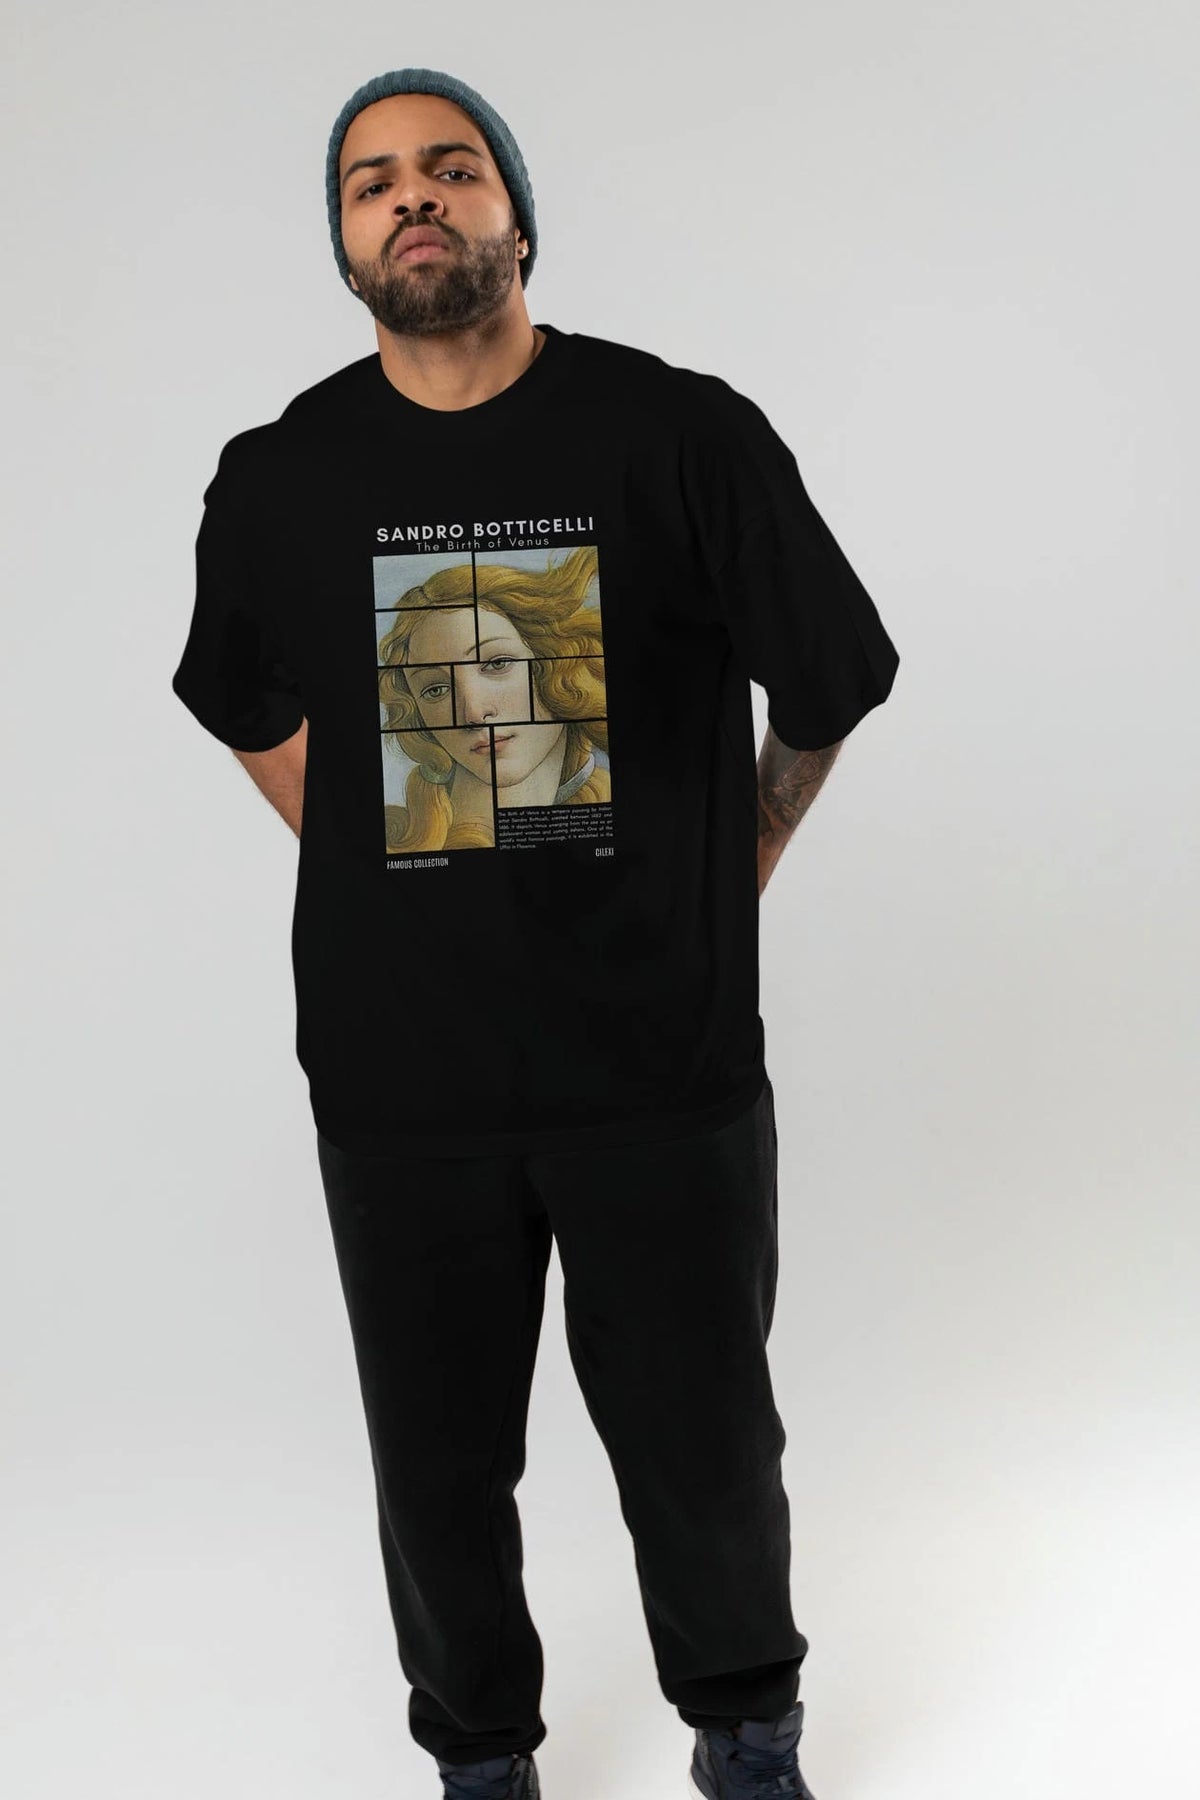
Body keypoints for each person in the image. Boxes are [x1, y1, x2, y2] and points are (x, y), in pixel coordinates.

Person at [170, 65, 900, 1800]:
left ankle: (747, 1732)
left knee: (705, 1446)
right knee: (435, 1469)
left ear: (516, 213)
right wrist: (374, 850)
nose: (413, 197)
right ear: (345, 242)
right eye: (371, 183)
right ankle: (481, 1758)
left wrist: (744, 856)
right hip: (402, 1078)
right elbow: (243, 701)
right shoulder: (279, 476)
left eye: (452, 167)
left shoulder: (680, 434)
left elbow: (829, 676)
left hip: (659, 1062)